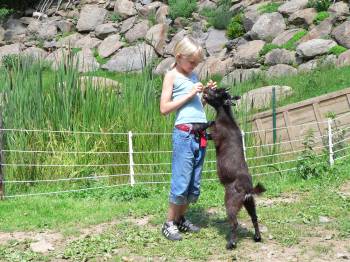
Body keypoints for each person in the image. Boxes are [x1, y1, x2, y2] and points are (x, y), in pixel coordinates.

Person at [159, 36, 216, 241]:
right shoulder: (171, 76)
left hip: (199, 132)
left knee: (194, 183)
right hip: (184, 133)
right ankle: (168, 223)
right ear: (179, 56)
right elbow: (164, 108)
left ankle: (181, 219)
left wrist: (206, 95)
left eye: (196, 63)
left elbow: (196, 106)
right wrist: (190, 94)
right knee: (181, 181)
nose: (193, 66)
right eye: (191, 62)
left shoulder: (193, 76)